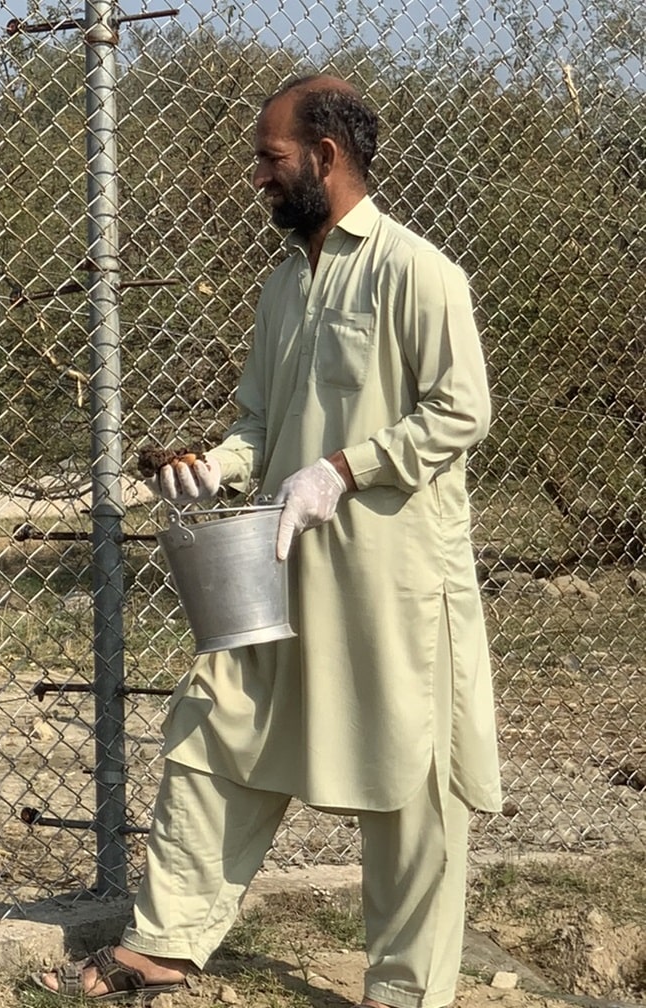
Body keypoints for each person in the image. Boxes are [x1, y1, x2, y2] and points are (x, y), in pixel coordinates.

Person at [35, 75, 500, 1007]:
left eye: (270, 157)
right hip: (276, 570)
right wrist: (217, 466)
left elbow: (463, 411)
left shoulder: (418, 272)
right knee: (214, 734)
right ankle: (166, 942)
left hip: (392, 579)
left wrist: (345, 466)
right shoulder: (284, 284)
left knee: (409, 782)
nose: (257, 176)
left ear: (325, 159)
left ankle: (406, 992)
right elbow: (259, 421)